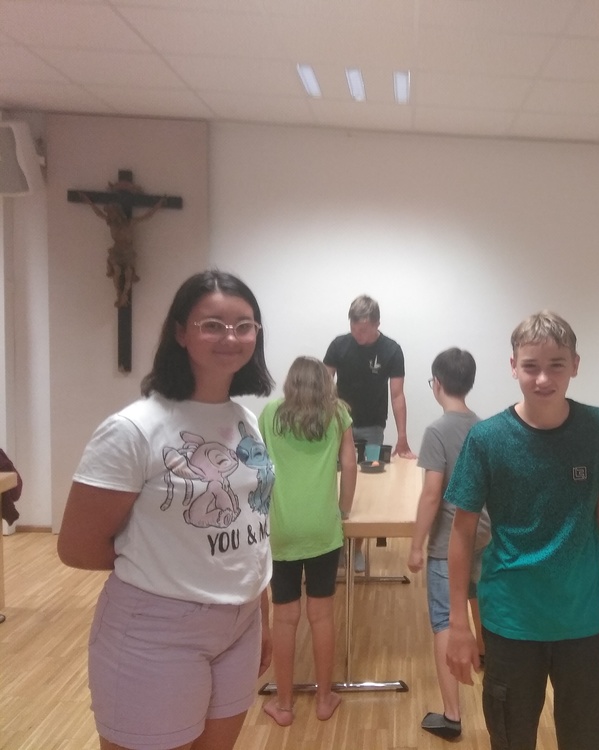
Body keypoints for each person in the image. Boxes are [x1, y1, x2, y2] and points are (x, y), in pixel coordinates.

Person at [57, 270, 275, 750]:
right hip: (157, 629)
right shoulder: (134, 429)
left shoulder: (245, 420)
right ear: (180, 332)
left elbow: (252, 525)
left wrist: (259, 608)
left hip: (242, 622)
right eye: (212, 324)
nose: (231, 337)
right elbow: (77, 547)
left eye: (244, 325)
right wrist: (168, 566)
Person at [446, 311, 599, 750]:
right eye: (531, 366)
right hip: (510, 621)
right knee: (511, 740)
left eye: (556, 365)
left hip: (582, 618)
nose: (543, 378)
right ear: (513, 366)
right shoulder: (487, 438)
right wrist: (458, 623)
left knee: (588, 740)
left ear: (575, 365)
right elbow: (462, 532)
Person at [258, 356, 357, 727]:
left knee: (285, 618)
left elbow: (258, 467)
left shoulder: (270, 413)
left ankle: (284, 705)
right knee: (321, 615)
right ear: (325, 384)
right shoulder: (337, 414)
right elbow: (350, 465)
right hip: (322, 529)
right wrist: (343, 509)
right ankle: (324, 699)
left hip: (281, 527)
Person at [406, 347, 491, 741]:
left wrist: (415, 544)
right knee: (479, 605)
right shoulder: (484, 428)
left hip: (447, 542)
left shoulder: (437, 431)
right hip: (484, 536)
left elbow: (431, 494)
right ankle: (487, 666)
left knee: (444, 621)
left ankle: (452, 716)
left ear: (436, 384)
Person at [323, 294, 415, 459]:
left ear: (377, 324)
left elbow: (397, 395)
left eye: (363, 330)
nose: (357, 334)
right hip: (340, 422)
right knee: (339, 468)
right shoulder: (338, 345)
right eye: (353, 328)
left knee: (372, 468)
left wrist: (402, 437)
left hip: (373, 426)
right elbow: (322, 385)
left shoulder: (391, 350)